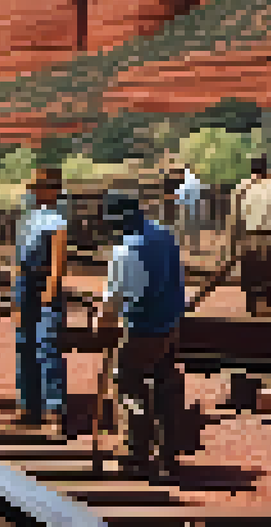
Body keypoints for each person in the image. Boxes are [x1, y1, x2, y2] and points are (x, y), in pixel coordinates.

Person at [97, 190, 187, 481]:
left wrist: (103, 321)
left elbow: (120, 297)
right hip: (170, 325)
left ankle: (135, 456)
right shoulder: (163, 235)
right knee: (164, 388)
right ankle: (168, 454)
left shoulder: (127, 250)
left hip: (142, 328)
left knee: (129, 387)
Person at [13, 167, 70, 435]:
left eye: (42, 188)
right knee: (24, 341)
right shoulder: (26, 220)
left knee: (47, 343)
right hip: (25, 283)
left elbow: (58, 259)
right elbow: (17, 258)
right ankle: (28, 405)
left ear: (53, 191)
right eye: (35, 188)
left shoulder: (57, 220)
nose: (36, 193)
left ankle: (54, 409)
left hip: (44, 282)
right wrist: (15, 295)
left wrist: (51, 287)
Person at [205, 155, 271, 315]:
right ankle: (269, 312)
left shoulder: (242, 188)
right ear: (266, 169)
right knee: (270, 281)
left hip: (249, 239)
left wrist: (232, 249)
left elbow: (234, 221)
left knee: (252, 280)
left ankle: (252, 312)